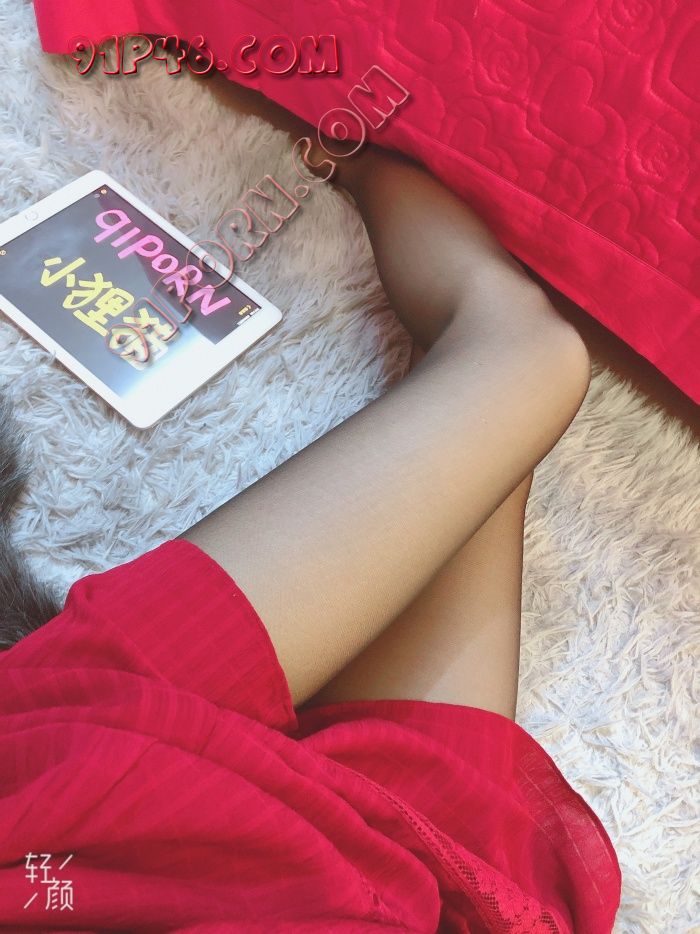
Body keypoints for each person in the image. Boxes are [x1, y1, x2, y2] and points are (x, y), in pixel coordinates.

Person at [0, 78, 621, 932]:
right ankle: (376, 151)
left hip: (89, 825)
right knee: (520, 363)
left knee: (524, 362)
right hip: (393, 899)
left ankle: (371, 146)